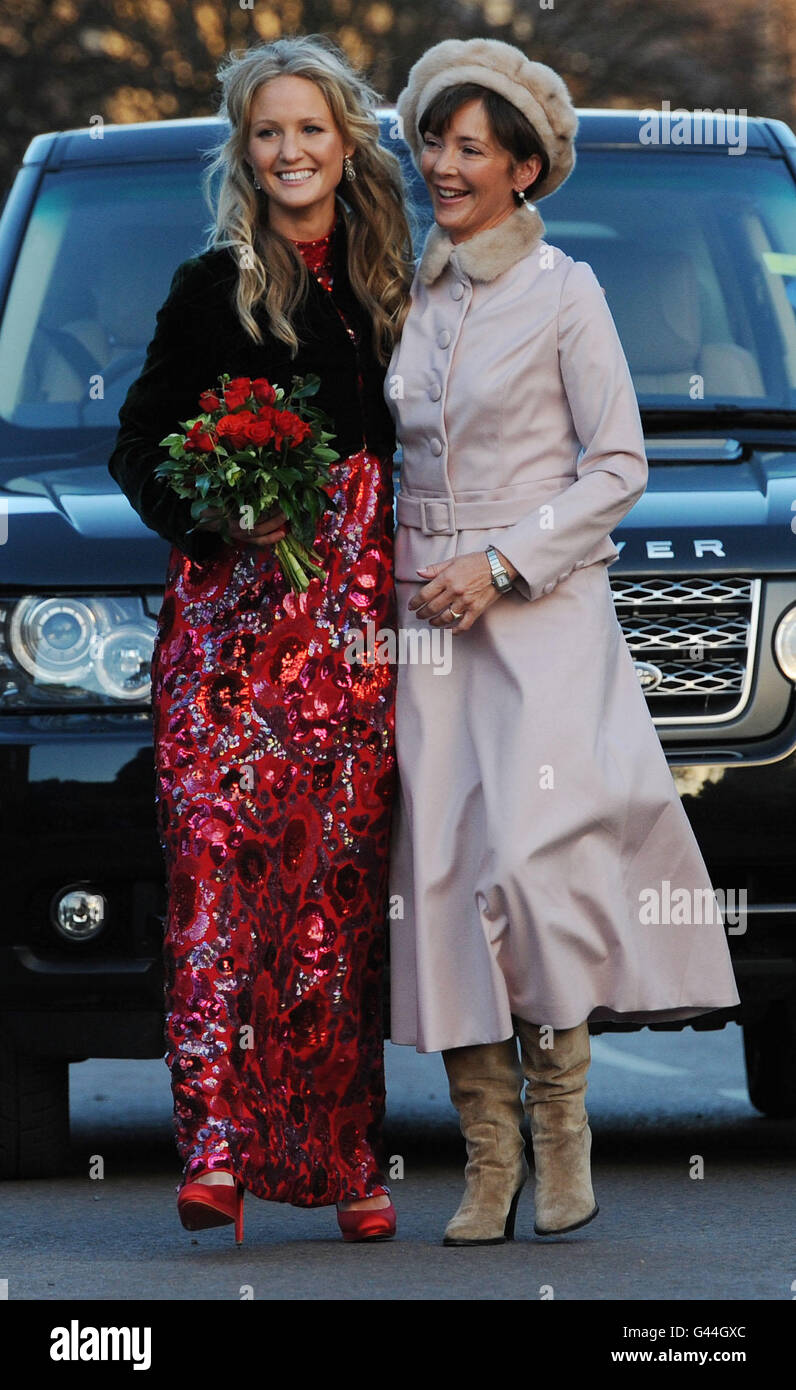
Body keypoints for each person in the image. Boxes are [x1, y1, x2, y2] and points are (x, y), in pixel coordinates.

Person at [386, 37, 741, 1244]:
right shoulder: (409, 289)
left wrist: (498, 564)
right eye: (433, 138)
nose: (442, 162)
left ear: (524, 169)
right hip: (418, 612)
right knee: (440, 875)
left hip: (535, 613)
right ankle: (487, 1163)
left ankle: (562, 1133)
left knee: (532, 869)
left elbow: (620, 466)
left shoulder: (565, 291)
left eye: (469, 147)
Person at [107, 35, 413, 1244]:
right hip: (229, 645)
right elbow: (137, 441)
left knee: (332, 898)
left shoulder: (399, 285)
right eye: (266, 132)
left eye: (309, 130)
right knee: (218, 883)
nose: (289, 151)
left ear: (345, 144)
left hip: (352, 643)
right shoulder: (209, 285)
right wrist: (209, 511)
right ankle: (218, 1151)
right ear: (245, 152)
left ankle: (346, 1156)